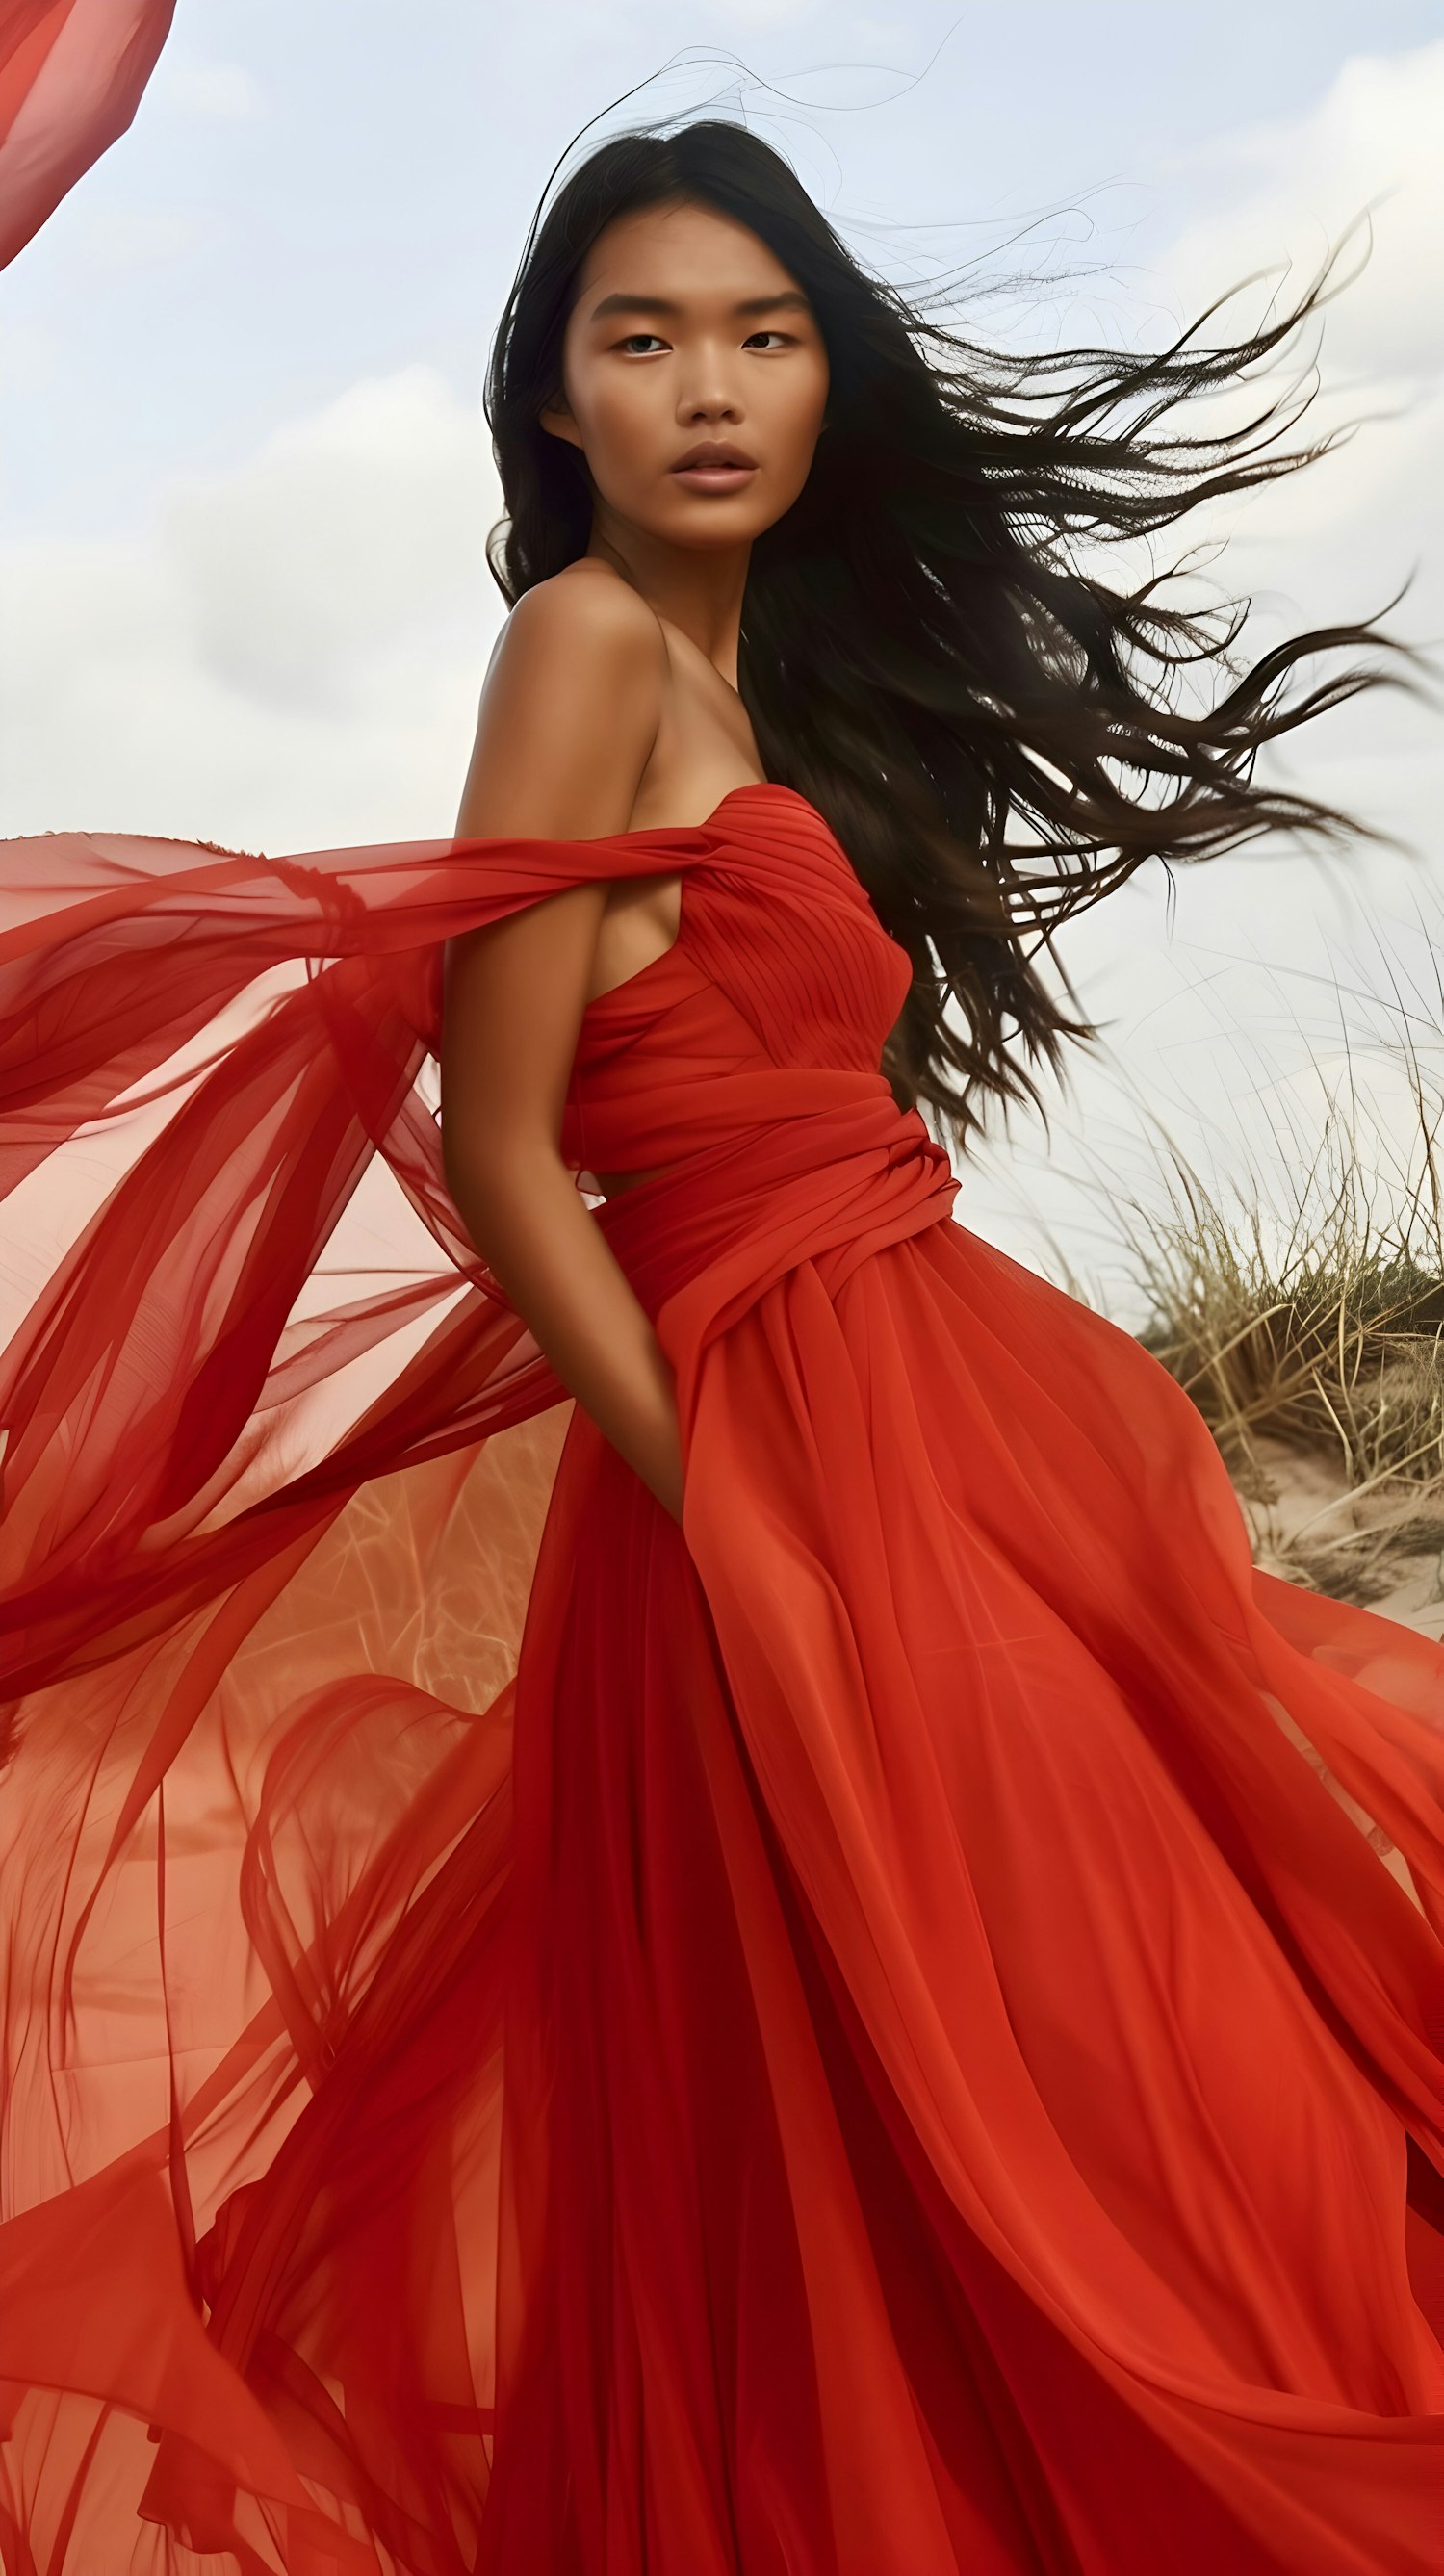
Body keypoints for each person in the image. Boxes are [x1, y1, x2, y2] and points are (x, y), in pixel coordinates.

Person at [0, 118, 1441, 2576]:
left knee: (1114, 1996)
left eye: (763, 336)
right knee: (1032, 2037)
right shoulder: (579, 645)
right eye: (641, 339)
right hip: (774, 1449)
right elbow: (502, 1135)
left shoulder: (738, 680)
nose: (709, 389)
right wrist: (716, 1493)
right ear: (554, 400)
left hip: (923, 1410)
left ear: (827, 375)